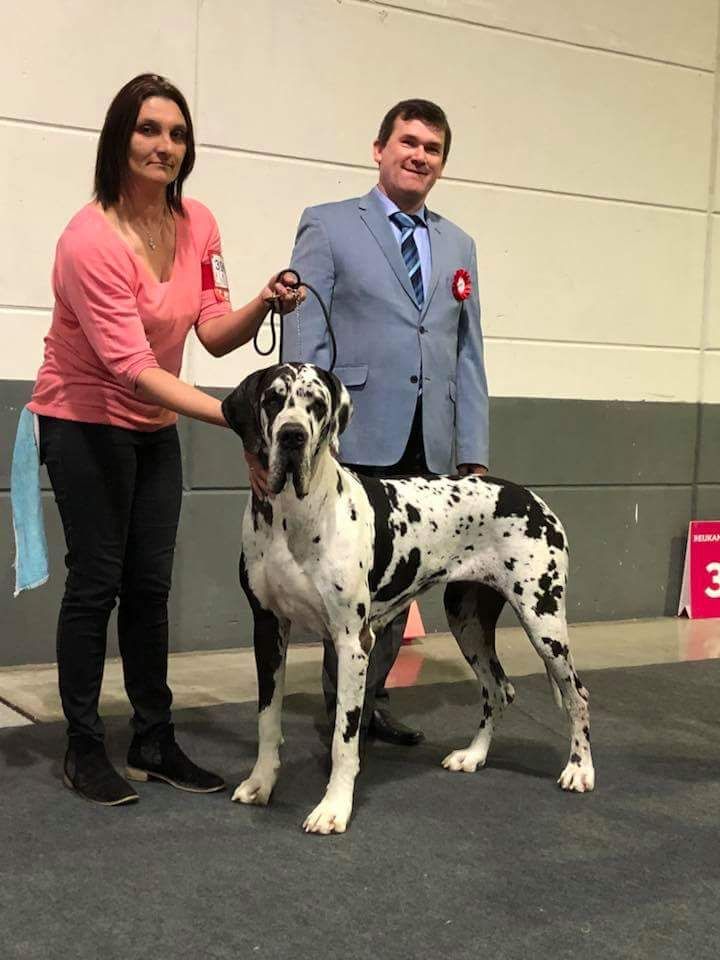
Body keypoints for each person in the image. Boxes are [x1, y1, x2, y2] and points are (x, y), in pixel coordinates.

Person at [27, 74, 300, 806]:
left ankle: (153, 738)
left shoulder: (197, 223)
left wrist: (262, 302)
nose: (165, 146)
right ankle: (84, 746)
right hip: (85, 420)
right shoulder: (88, 240)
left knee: (150, 587)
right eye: (149, 129)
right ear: (120, 138)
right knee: (97, 583)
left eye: (177, 134)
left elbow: (211, 331)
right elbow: (134, 368)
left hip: (153, 426)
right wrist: (241, 420)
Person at [281, 99, 489, 745]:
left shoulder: (458, 244)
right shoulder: (329, 224)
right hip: (353, 437)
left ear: (442, 164)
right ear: (379, 149)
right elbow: (304, 341)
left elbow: (468, 352)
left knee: (401, 584)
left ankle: (368, 705)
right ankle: (340, 715)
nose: (419, 155)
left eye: (432, 148)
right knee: (343, 584)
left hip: (429, 443)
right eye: (408, 142)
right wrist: (305, 433)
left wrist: (472, 450)